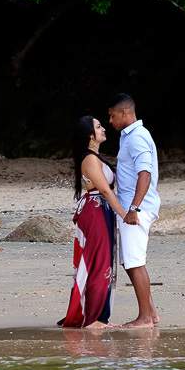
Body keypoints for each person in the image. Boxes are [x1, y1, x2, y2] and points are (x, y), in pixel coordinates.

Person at [59, 115, 129, 328]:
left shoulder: (95, 157)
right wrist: (126, 216)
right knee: (98, 264)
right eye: (99, 127)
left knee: (103, 263)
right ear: (90, 135)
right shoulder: (89, 159)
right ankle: (94, 319)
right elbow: (106, 191)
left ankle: (98, 316)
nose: (104, 129)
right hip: (96, 211)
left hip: (101, 211)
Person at [107, 93, 160, 328]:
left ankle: (145, 318)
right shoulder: (129, 136)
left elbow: (145, 173)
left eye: (112, 115)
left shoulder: (137, 137)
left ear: (124, 113)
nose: (110, 120)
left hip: (137, 207)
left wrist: (133, 208)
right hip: (132, 206)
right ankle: (152, 314)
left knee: (134, 262)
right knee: (130, 261)